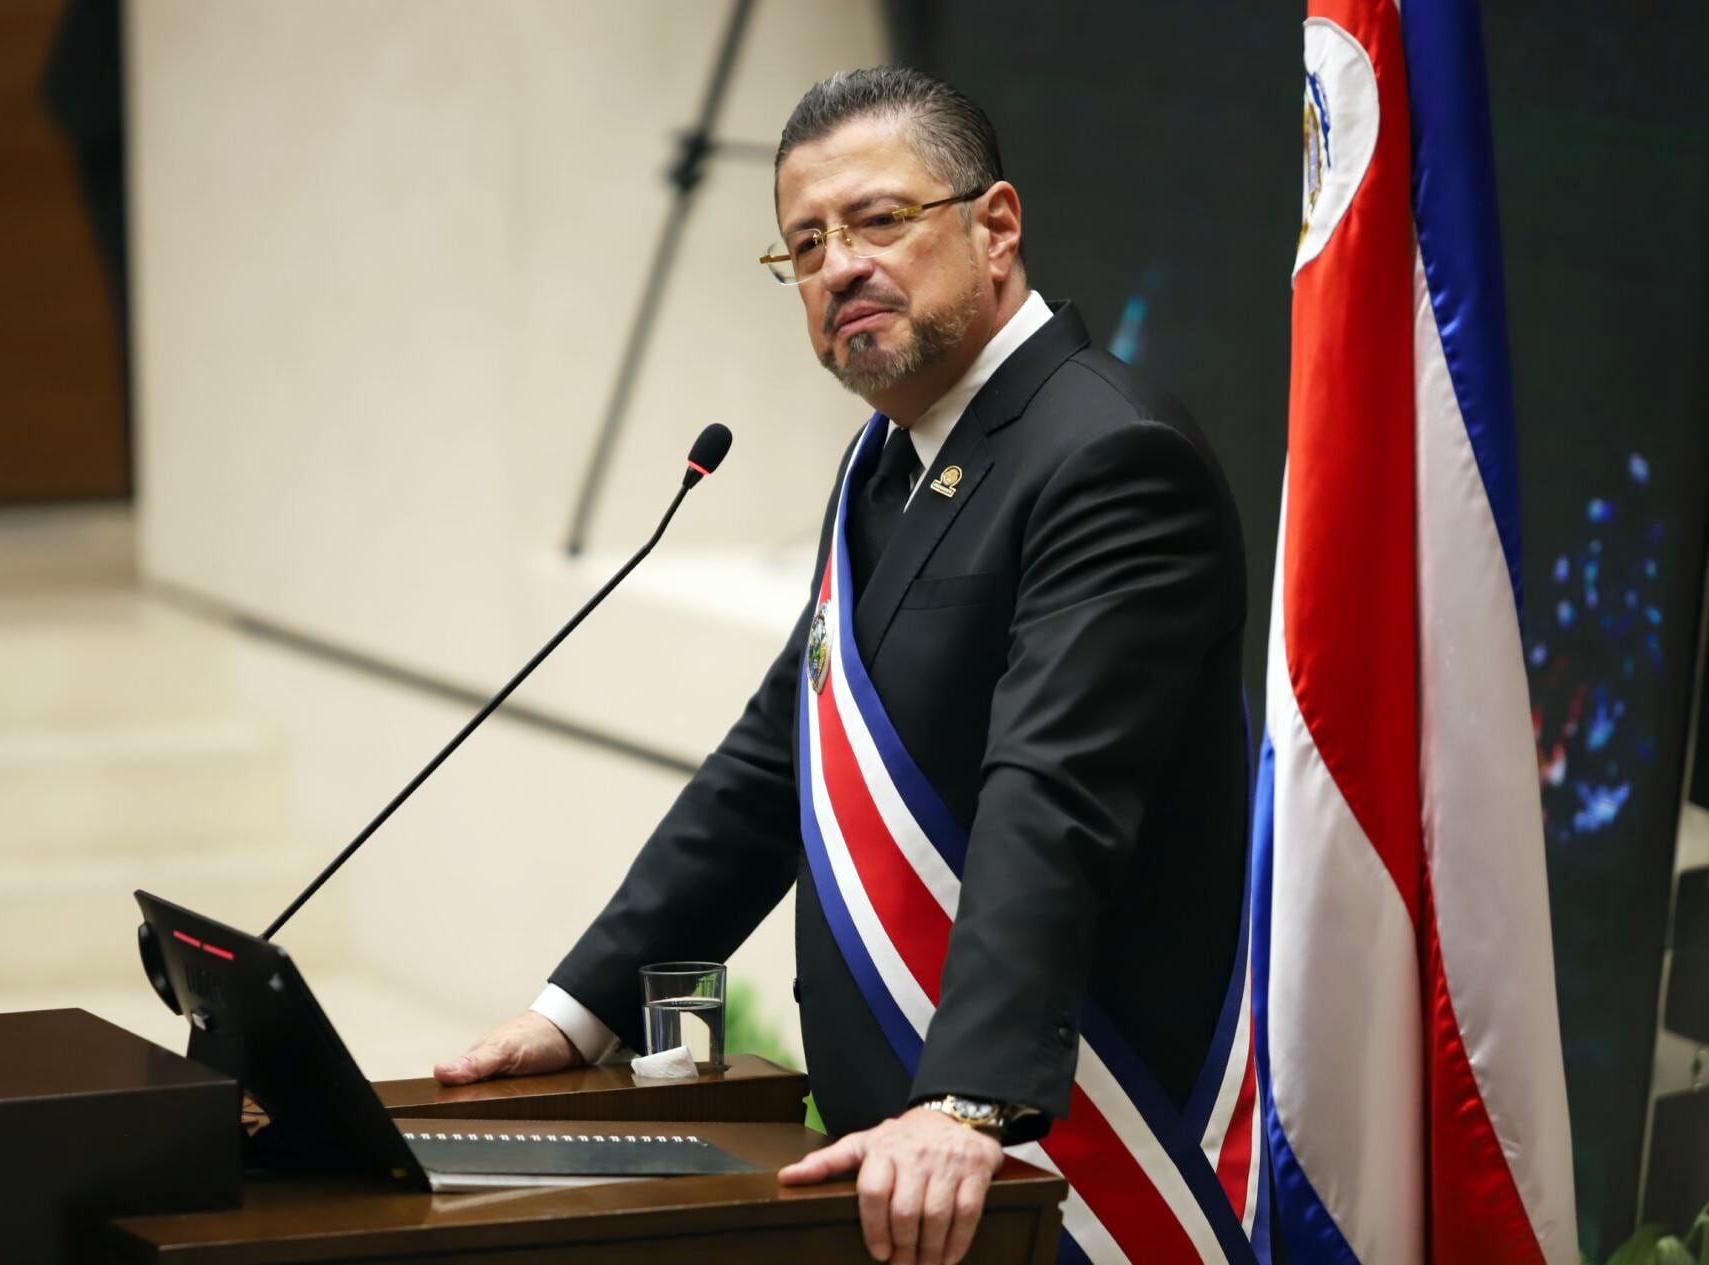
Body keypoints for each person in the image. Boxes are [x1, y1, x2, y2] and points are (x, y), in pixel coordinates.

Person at [437, 67, 1251, 1265]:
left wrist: (971, 1097)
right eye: (803, 244)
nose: (837, 267)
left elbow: (1053, 794)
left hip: (1060, 1145)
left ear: (996, 226)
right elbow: (776, 767)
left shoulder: (1108, 455)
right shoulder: (890, 460)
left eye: (879, 221)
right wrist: (579, 1011)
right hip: (897, 1149)